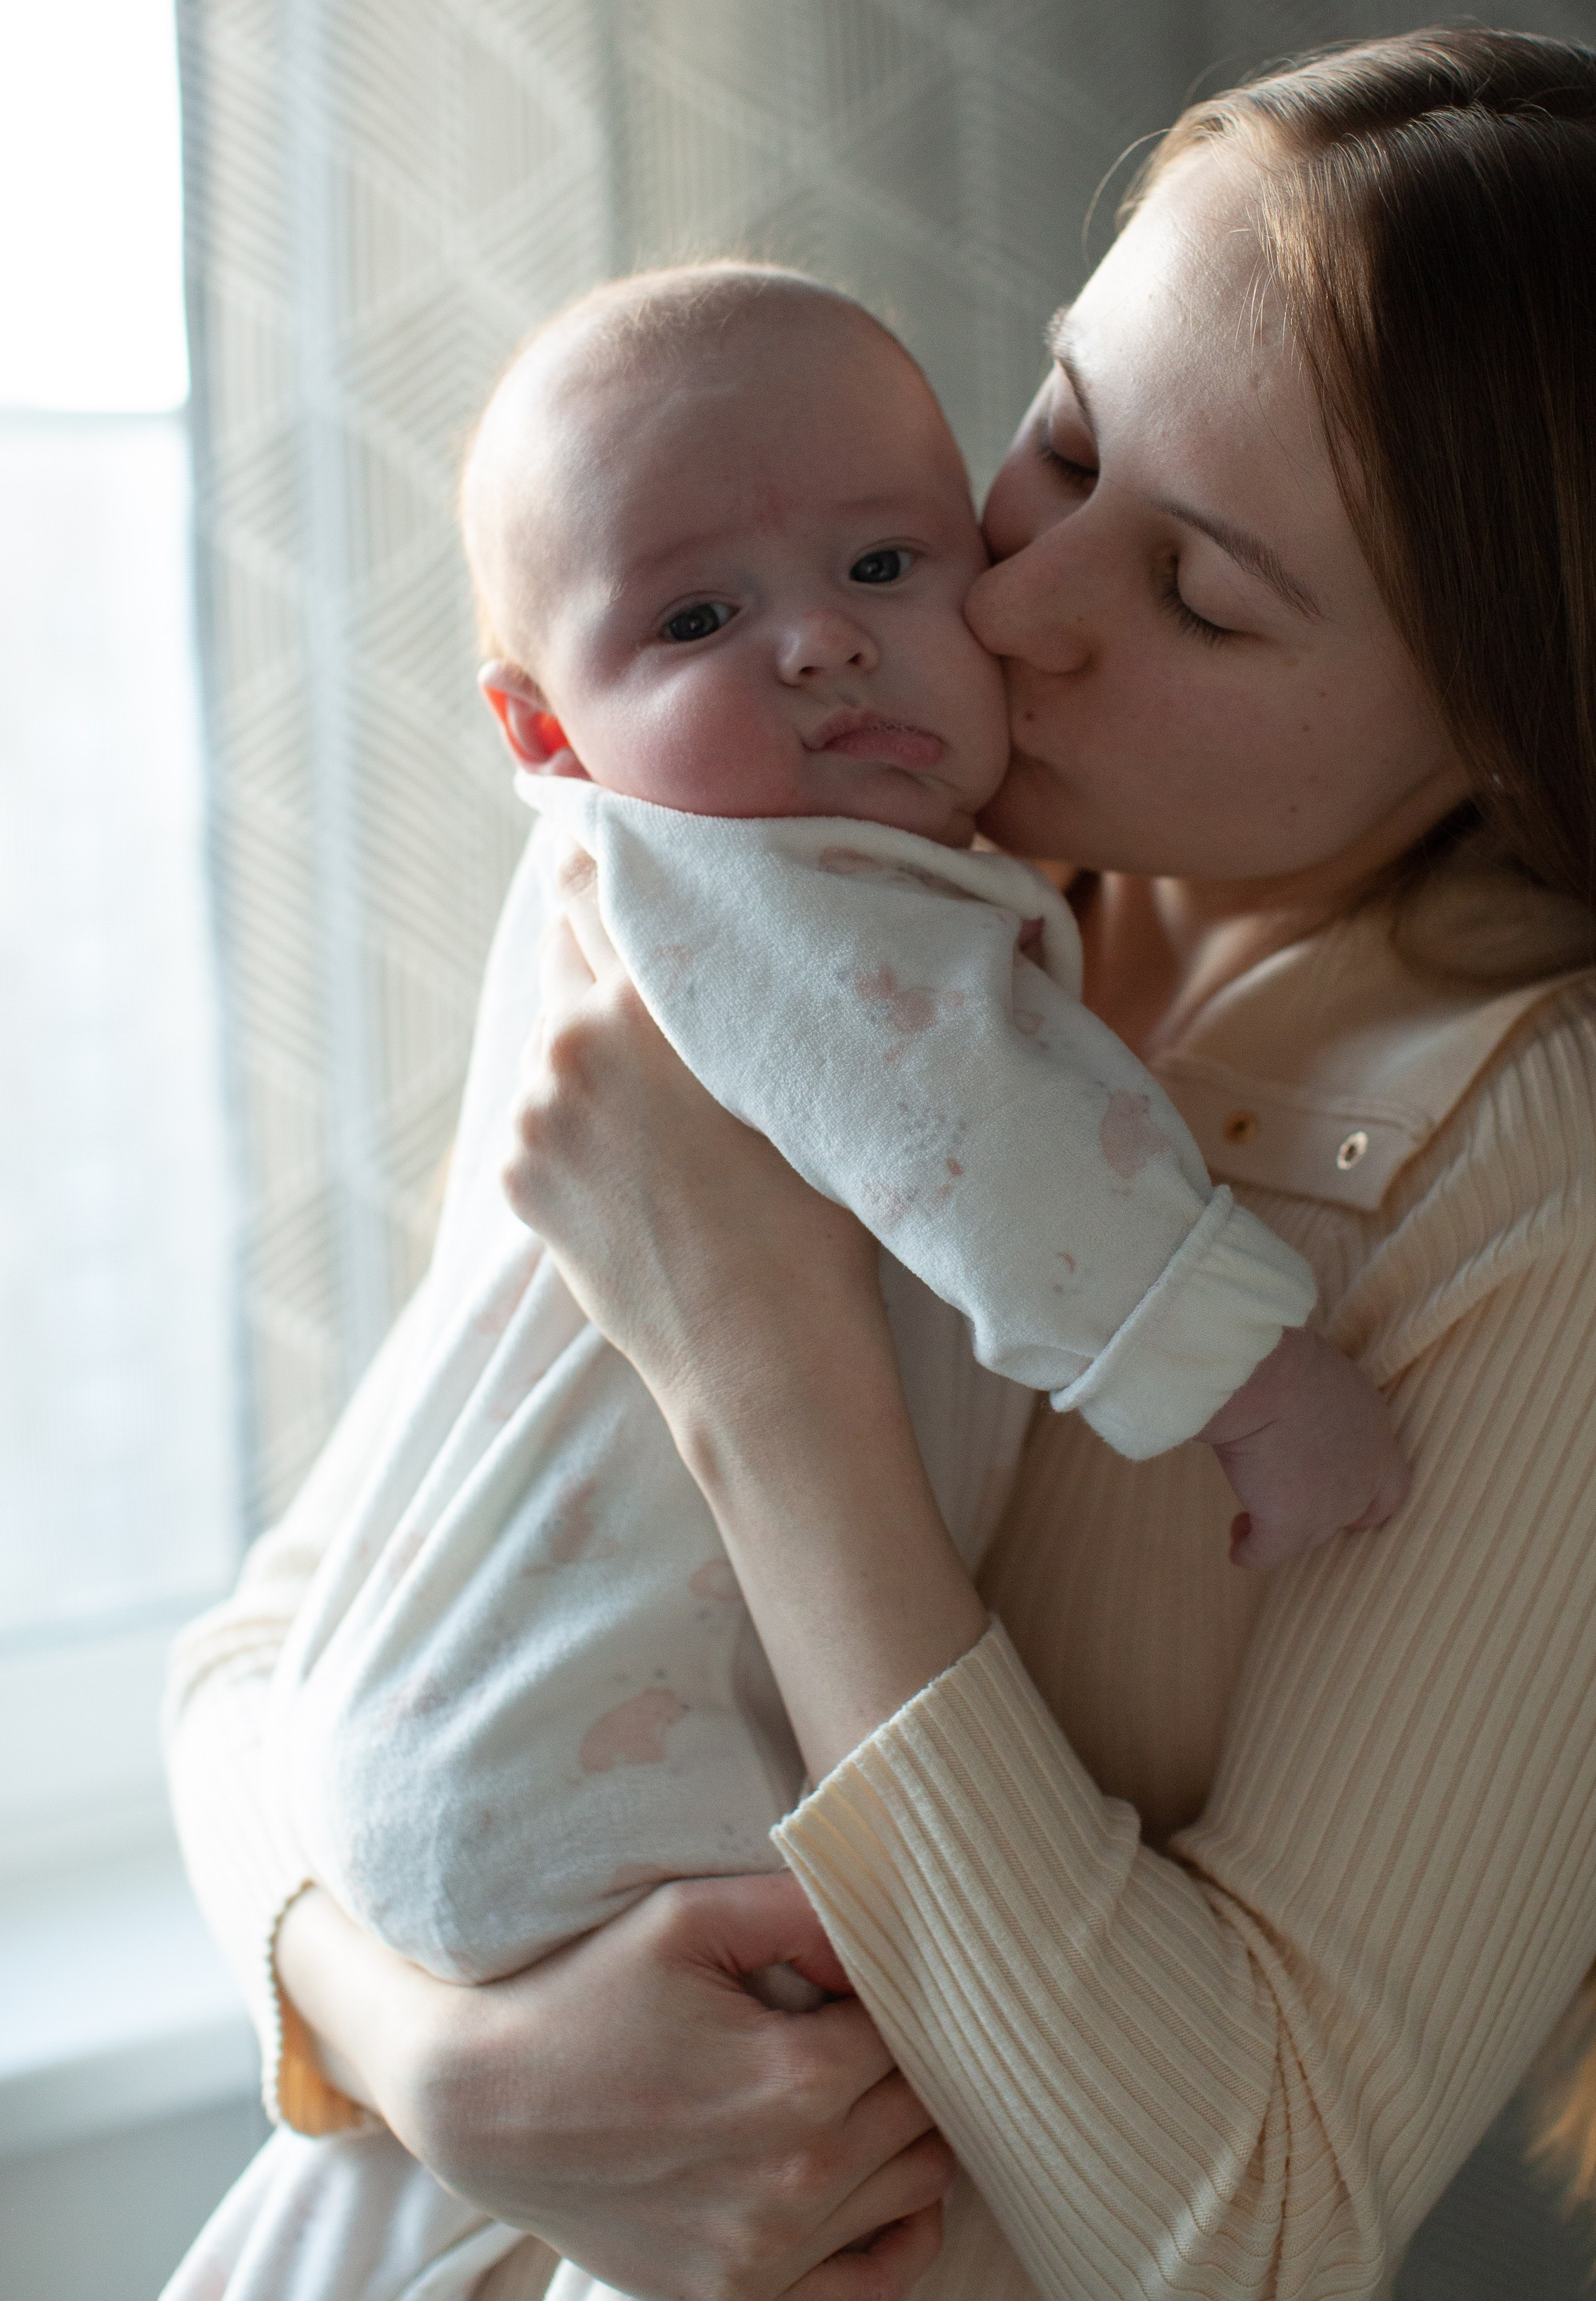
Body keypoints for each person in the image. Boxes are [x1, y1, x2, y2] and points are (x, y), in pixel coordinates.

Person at [165, 28, 1596, 2301]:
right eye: (1058, 438)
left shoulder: (1566, 1171)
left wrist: (758, 1352)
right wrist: (439, 2056)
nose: (1000, 606)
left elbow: (1248, 2222)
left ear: (1509, 718)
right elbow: (274, 1644)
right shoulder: (836, 891)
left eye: (1202, 594)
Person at [162, 267, 1400, 2301]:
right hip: (573, 1765)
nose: (822, 639)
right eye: (696, 619)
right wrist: (1255, 1376)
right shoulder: (756, 887)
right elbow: (988, 1145)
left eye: (890, 559)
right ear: (545, 730)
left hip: (438, 1758)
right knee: (791, 2174)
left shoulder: (744, 879)